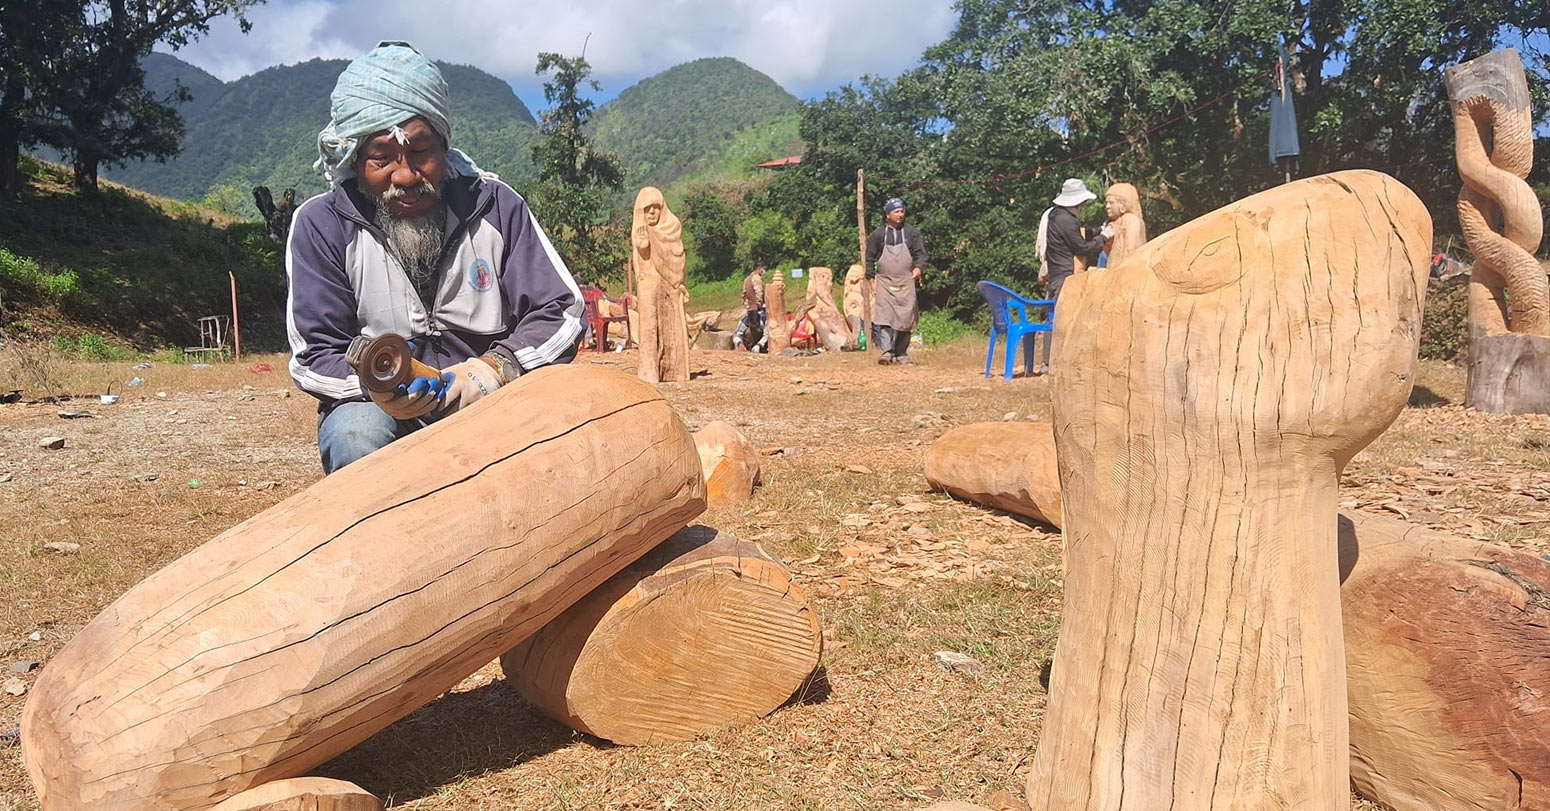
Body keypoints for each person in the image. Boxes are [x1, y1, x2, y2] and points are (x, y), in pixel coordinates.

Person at [287, 41, 584, 474]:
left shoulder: (496, 206)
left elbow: (562, 310)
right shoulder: (323, 224)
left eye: (421, 151)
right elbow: (315, 353)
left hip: (490, 397)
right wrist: (381, 385)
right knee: (355, 436)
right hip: (377, 404)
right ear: (355, 160)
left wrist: (489, 372)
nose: (405, 175)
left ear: (443, 147)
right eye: (381, 157)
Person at [1034, 179, 1111, 374]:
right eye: (1082, 203)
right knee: (1063, 319)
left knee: (1055, 318)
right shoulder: (1066, 219)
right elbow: (1080, 246)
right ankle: (1051, 363)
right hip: (1065, 276)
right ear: (1076, 202)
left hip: (1057, 275)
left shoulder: (1056, 215)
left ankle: (1049, 362)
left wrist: (1098, 231)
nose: (1083, 206)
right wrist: (1103, 238)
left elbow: (1077, 235)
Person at [864, 197, 928, 364]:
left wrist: (918, 269)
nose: (900, 214)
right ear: (888, 215)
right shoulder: (878, 234)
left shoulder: (911, 233)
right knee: (884, 317)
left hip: (906, 281)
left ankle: (901, 354)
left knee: (906, 318)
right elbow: (869, 258)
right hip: (884, 282)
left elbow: (922, 255)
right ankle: (886, 352)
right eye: (896, 211)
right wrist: (871, 279)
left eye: (902, 211)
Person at [733, 262, 768, 352]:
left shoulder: (747, 279)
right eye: (763, 269)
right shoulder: (757, 279)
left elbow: (744, 295)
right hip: (756, 309)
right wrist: (759, 305)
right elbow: (759, 293)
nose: (764, 271)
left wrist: (747, 305)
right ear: (759, 268)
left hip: (750, 308)